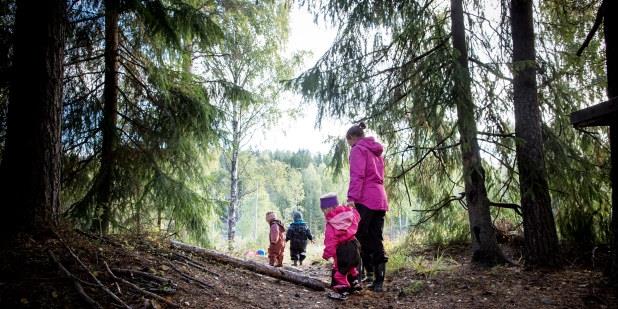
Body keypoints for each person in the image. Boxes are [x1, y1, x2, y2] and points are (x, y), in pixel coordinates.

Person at [345, 122, 389, 292]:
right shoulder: (375, 151)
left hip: (365, 198)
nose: (349, 145)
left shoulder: (358, 149)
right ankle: (378, 280)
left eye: (348, 141)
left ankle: (364, 274)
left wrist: (351, 198)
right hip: (380, 199)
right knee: (375, 237)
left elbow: (357, 175)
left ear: (351, 138)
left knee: (359, 236)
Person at [321, 193, 362, 299]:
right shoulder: (349, 213)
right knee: (351, 267)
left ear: (328, 208)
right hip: (355, 247)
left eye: (323, 210)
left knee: (339, 274)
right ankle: (355, 283)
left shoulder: (331, 224)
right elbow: (357, 217)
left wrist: (327, 254)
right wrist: (352, 208)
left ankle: (342, 291)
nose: (324, 213)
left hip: (344, 251)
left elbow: (330, 241)